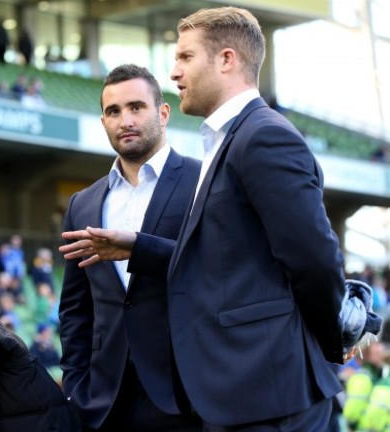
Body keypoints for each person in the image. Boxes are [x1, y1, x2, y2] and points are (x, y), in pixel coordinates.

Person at [59, 7, 350, 431]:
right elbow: (218, 260)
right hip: (227, 397)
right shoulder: (226, 142)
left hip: (268, 390)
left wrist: (328, 343)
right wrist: (139, 247)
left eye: (185, 58)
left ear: (227, 59)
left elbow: (314, 260)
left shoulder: (263, 135)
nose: (175, 72)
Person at [59, 63, 201, 431]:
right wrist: (76, 386)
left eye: (136, 107)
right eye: (113, 111)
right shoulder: (83, 204)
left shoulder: (203, 181)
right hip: (105, 403)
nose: (125, 120)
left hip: (188, 397)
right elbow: (76, 309)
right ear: (103, 121)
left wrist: (141, 249)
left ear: (163, 112)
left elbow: (217, 269)